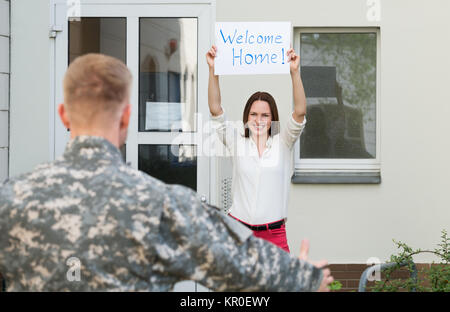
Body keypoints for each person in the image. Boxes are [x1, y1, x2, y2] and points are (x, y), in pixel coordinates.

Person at [0, 53, 333, 292]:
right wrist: (301, 278)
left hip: (274, 232)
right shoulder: (163, 204)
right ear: (128, 117)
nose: (259, 119)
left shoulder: (10, 200)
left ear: (63, 115)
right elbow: (230, 265)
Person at [207, 45, 307, 253]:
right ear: (247, 117)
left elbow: (300, 112)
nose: (259, 120)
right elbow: (216, 110)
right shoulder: (237, 143)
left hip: (274, 236)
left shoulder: (283, 143)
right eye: (253, 114)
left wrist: (294, 72)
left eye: (265, 115)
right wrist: (213, 71)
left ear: (272, 119)